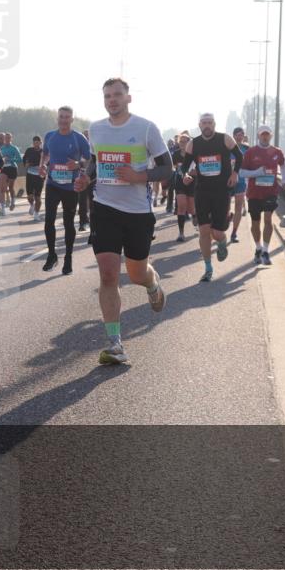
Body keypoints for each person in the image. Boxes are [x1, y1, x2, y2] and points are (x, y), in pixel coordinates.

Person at [77, 78, 171, 364]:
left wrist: (140, 177)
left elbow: (168, 168)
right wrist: (86, 178)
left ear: (128, 98)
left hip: (138, 213)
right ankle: (115, 343)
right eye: (107, 96)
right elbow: (96, 161)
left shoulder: (145, 128)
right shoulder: (96, 129)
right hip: (105, 208)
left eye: (117, 95)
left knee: (136, 274)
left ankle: (152, 283)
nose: (112, 100)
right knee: (107, 274)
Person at [182, 113, 243, 282]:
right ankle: (208, 268)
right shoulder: (193, 145)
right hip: (202, 191)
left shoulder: (225, 139)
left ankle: (222, 242)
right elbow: (184, 167)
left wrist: (235, 174)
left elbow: (239, 156)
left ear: (214, 124)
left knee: (217, 233)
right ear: (199, 125)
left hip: (222, 191)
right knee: (204, 231)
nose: (207, 125)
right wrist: (185, 175)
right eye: (204, 123)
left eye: (209, 123)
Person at [40, 106, 90, 275]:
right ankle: (52, 254)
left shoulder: (79, 138)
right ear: (57, 118)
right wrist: (42, 165)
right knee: (49, 220)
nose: (63, 119)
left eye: (67, 117)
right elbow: (45, 153)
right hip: (53, 184)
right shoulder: (50, 136)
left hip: (70, 187)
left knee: (69, 223)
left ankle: (68, 258)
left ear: (72, 120)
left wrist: (78, 165)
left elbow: (89, 159)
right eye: (61, 116)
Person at [240, 124, 285, 265]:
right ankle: (258, 248)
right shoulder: (250, 152)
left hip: (271, 191)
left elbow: (284, 165)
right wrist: (257, 173)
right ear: (258, 136)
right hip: (254, 193)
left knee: (268, 219)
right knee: (255, 223)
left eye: (267, 134)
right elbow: (242, 173)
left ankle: (266, 251)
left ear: (271, 136)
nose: (265, 136)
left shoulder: (276, 152)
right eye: (263, 134)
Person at [171, 133, 197, 242]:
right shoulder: (176, 154)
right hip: (180, 182)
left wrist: (191, 174)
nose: (182, 143)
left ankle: (195, 216)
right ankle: (181, 234)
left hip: (192, 181)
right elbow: (172, 167)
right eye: (181, 141)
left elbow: (198, 170)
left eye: (185, 141)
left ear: (189, 143)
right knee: (181, 206)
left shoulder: (194, 154)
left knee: (191, 208)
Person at [228, 127, 249, 243]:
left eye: (241, 135)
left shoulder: (247, 149)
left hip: (241, 182)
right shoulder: (226, 149)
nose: (239, 137)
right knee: (225, 210)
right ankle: (228, 217)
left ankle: (234, 233)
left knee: (238, 208)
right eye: (237, 135)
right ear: (233, 136)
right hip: (227, 182)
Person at [0, 131, 23, 213]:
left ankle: (12, 201)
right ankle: (2, 208)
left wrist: (10, 159)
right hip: (4, 169)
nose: (7, 139)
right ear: (4, 139)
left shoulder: (14, 148)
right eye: (6, 138)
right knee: (2, 188)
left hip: (12, 168)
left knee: (11, 188)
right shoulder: (1, 148)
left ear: (11, 139)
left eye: (9, 138)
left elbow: (19, 159)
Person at [22, 135, 45, 220]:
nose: (36, 144)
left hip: (40, 176)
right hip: (30, 175)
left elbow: (48, 162)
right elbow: (24, 159)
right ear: (33, 143)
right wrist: (26, 164)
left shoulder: (43, 152)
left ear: (40, 143)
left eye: (38, 142)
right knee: (30, 196)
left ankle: (36, 213)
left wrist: (43, 167)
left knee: (38, 197)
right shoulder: (29, 150)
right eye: (34, 142)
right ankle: (32, 205)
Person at [78, 129, 91, 232]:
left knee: (93, 202)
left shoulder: (95, 147)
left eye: (88, 136)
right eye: (84, 136)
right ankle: (83, 222)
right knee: (82, 201)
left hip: (94, 179)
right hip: (81, 177)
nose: (86, 138)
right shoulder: (78, 149)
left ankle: (94, 222)